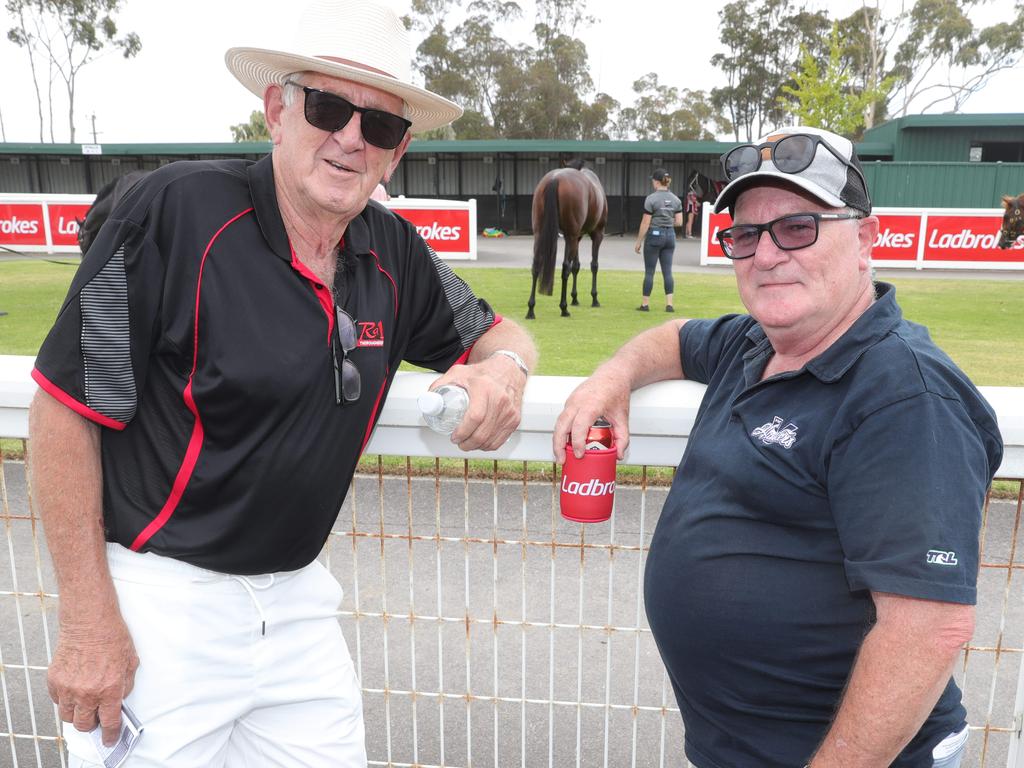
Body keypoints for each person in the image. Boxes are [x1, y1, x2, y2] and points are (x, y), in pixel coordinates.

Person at [27, 1, 536, 765]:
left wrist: (505, 369)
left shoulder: (393, 247)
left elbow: (501, 332)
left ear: (395, 154)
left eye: (382, 126)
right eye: (329, 107)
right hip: (160, 601)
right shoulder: (173, 211)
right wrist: (89, 619)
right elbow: (63, 411)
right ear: (276, 110)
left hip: (298, 604)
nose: (351, 139)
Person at [555, 126, 1002, 768]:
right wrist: (612, 377)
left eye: (798, 227)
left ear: (865, 242)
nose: (766, 255)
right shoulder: (756, 342)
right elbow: (677, 338)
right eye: (745, 234)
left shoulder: (904, 397)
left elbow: (927, 630)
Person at [634, 168, 682, 312]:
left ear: (656, 182)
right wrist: (667, 223)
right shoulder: (676, 199)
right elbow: (679, 222)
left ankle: (645, 304)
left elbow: (645, 223)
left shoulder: (651, 199)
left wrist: (638, 241)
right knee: (668, 271)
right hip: (670, 236)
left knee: (650, 271)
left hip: (654, 235)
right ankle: (669, 304)